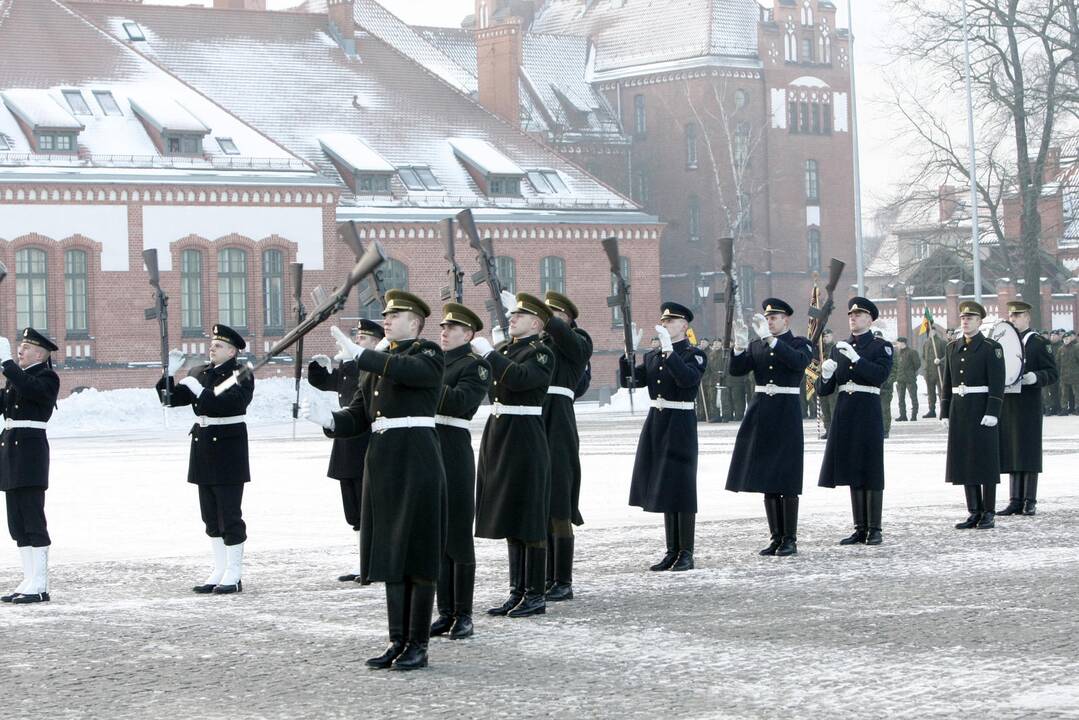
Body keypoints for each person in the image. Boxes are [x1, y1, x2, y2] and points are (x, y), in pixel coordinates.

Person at [303, 289, 446, 671]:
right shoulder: (375, 364)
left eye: (394, 315)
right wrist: (330, 420)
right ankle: (397, 640)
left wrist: (364, 355)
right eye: (385, 314)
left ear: (414, 323)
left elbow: (412, 373)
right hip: (381, 461)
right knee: (390, 551)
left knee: (415, 550)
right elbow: (361, 413)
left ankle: (418, 643)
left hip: (416, 457)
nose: (386, 319)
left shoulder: (427, 352)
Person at [473, 293, 554, 619]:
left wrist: (491, 355)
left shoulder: (542, 353)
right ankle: (516, 590)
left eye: (519, 316)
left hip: (525, 435)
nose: (512, 319)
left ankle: (535, 593)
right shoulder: (508, 350)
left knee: (528, 515)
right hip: (501, 432)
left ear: (535, 322)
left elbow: (520, 380)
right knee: (509, 512)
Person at [158, 324, 253, 595]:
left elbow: (232, 402)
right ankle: (220, 569)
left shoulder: (240, 372)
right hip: (203, 447)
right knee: (210, 515)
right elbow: (170, 399)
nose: (212, 347)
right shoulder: (200, 372)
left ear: (233, 351)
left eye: (219, 345)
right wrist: (169, 373)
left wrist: (200, 392)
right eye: (212, 343)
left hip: (228, 448)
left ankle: (234, 573)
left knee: (230, 514)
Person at [620, 302, 707, 571]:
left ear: (684, 326)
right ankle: (672, 550)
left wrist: (670, 351)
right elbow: (632, 382)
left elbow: (687, 380)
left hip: (680, 422)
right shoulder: (654, 355)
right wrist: (628, 355)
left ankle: (686, 552)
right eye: (664, 322)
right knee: (666, 484)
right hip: (657, 422)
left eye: (671, 322)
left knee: (681, 485)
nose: (666, 325)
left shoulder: (694, 354)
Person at [725, 299, 813, 556]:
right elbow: (737, 371)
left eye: (775, 318)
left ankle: (790, 538)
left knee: (786, 477)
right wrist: (740, 346)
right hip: (762, 411)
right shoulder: (757, 344)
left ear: (786, 320)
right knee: (767, 478)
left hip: (786, 412)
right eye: (768, 318)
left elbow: (798, 363)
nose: (770, 321)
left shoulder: (799, 343)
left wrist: (771, 340)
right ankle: (776, 536)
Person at [307, 319, 385, 583]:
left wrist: (354, 361)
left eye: (363, 339)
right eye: (357, 337)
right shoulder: (351, 366)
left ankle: (376, 561)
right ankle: (364, 560)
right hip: (345, 443)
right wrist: (317, 367)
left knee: (371, 506)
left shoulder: (374, 366)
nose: (357, 342)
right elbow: (328, 383)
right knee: (354, 509)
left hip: (364, 439)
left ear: (376, 342)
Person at [429, 303, 490, 640]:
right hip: (430, 445)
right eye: (442, 328)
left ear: (468, 334)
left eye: (451, 329)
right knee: (437, 534)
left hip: (453, 448)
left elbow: (457, 401)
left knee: (458, 536)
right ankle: (445, 611)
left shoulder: (475, 366)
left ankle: (463, 613)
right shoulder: (435, 362)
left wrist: (425, 383)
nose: (444, 332)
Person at [817, 299, 893, 545]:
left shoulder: (881, 346)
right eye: (851, 314)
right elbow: (825, 390)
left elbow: (879, 376)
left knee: (870, 467)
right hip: (845, 411)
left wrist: (858, 360)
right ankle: (860, 527)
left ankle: (875, 528)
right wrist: (825, 375)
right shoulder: (839, 347)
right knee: (852, 468)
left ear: (870, 319)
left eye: (859, 314)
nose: (853, 317)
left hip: (867, 409)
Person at [0, 329, 60, 604]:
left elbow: (32, 390)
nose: (20, 351)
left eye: (24, 347)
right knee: (17, 523)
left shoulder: (46, 377)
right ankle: (28, 578)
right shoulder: (17, 380)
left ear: (39, 353)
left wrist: (8, 367)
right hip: (12, 451)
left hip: (30, 453)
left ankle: (40, 583)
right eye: (19, 347)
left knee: (33, 518)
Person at [541, 291, 593, 602]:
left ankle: (563, 579)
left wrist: (547, 320)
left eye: (553, 314)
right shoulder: (540, 345)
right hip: (536, 417)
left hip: (559, 421)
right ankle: (545, 575)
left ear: (567, 318)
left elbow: (573, 346)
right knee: (540, 502)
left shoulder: (578, 339)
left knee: (559, 500)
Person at [941, 301, 1005, 530]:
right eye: (963, 318)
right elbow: (948, 382)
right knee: (965, 460)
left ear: (980, 321)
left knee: (985, 461)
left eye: (970, 318)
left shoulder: (991, 347)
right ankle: (974, 511)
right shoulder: (952, 347)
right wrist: (945, 410)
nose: (965, 321)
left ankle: (988, 511)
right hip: (960, 410)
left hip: (981, 409)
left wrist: (993, 411)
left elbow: (997, 383)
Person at [998, 301, 1058, 516]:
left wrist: (1036, 377)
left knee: (1029, 451)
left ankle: (1029, 499)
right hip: (1010, 402)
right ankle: (1015, 500)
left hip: (1029, 402)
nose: (1013, 319)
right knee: (1013, 449)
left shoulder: (1039, 343)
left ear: (1028, 317)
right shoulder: (1005, 342)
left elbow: (1052, 372)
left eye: (1018, 315)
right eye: (1012, 316)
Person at [921, 328, 947, 418]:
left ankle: (943, 411)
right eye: (929, 331)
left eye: (932, 331)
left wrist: (940, 360)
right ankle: (932, 410)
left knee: (941, 392)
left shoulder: (942, 342)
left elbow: (947, 355)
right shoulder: (926, 343)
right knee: (930, 393)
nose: (930, 333)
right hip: (929, 372)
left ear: (936, 331)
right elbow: (924, 356)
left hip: (939, 371)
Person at [894, 336, 921, 421]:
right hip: (900, 379)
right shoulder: (897, 353)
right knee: (900, 399)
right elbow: (895, 365)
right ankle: (903, 415)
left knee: (913, 397)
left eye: (898, 343)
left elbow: (917, 364)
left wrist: (910, 371)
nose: (897, 345)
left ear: (902, 343)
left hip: (910, 378)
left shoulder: (912, 352)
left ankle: (914, 415)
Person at [818, 329, 837, 438]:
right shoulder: (820, 350)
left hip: (833, 385)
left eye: (827, 336)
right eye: (824, 337)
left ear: (832, 336)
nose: (825, 339)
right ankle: (828, 430)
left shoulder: (836, 349)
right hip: (822, 383)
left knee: (833, 408)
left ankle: (835, 430)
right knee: (825, 409)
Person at [878, 330, 896, 438]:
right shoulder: (873, 352)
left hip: (886, 387)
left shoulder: (889, 351)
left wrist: (889, 381)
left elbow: (894, 368)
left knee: (885, 408)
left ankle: (885, 430)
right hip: (876, 386)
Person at [1042, 329, 1062, 415]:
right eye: (1052, 335)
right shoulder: (1047, 345)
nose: (1053, 337)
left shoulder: (1061, 346)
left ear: (1058, 336)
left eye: (1055, 335)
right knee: (1046, 392)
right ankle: (1049, 408)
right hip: (1048, 372)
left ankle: (1057, 407)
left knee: (1056, 391)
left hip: (1058, 372)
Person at [1059, 332, 1078, 414]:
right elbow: (1058, 361)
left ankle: (1077, 408)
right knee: (1064, 394)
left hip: (1075, 375)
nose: (1066, 340)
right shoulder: (1061, 349)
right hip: (1064, 375)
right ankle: (1064, 409)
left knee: (1077, 393)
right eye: (1064, 339)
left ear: (1070, 339)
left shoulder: (1076, 348)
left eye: (1067, 338)